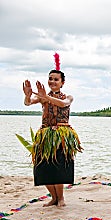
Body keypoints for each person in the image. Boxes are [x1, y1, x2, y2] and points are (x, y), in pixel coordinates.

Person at [22, 53, 82, 207]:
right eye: (50, 78)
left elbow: (63, 104)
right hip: (45, 134)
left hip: (61, 135)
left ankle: (60, 198)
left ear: (62, 82)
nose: (52, 81)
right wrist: (28, 96)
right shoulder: (43, 96)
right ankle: (53, 198)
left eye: (56, 79)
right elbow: (28, 103)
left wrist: (46, 98)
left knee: (58, 165)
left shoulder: (68, 96)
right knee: (43, 167)